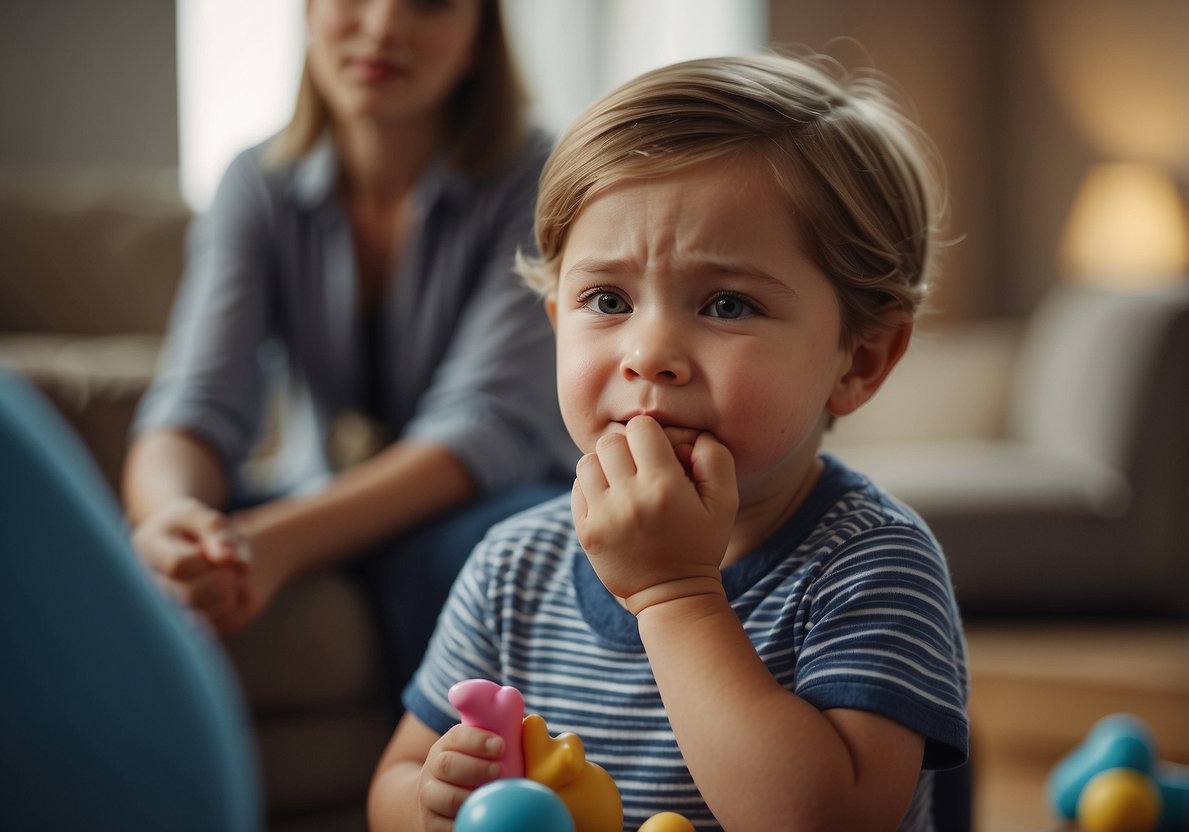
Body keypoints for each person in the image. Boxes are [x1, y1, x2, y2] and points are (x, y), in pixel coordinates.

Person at [368, 51, 969, 832]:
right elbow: (392, 781)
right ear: (555, 324)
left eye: (725, 304)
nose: (648, 353)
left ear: (857, 361)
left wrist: (672, 594)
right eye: (607, 299)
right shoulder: (512, 565)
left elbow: (827, 819)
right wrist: (432, 802)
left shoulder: (870, 564)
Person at [123, 0, 577, 702]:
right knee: (118, 540)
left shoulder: (540, 177)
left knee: (473, 550)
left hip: (493, 496)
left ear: (479, 41)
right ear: (308, 12)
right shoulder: (257, 181)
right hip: (321, 496)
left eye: (428, 4)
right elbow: (196, 404)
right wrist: (171, 525)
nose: (383, 26)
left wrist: (272, 544)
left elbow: (485, 429)